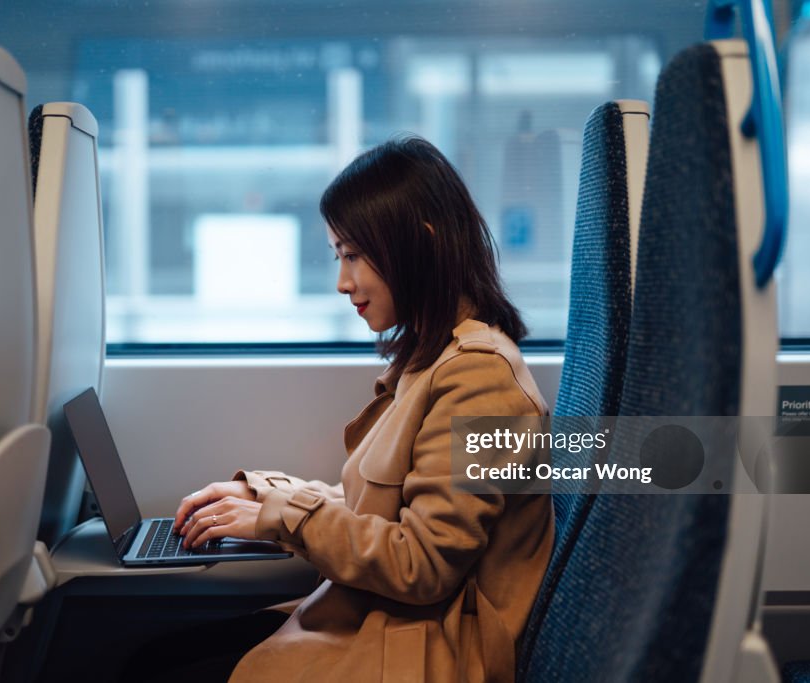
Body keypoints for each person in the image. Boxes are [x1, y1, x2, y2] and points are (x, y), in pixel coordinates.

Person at [169, 135, 552, 683]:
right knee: (166, 655)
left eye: (353, 255)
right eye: (338, 256)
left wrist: (282, 517)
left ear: (419, 244)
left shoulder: (481, 377)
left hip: (432, 649)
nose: (342, 282)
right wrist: (265, 498)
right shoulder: (432, 357)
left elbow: (423, 564)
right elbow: (381, 510)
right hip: (391, 623)